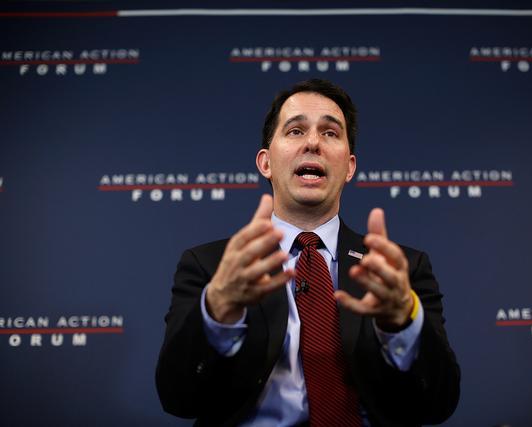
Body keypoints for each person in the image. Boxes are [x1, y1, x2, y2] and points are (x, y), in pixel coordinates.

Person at [156, 79, 460, 426]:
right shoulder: (211, 267)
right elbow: (177, 398)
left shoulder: (399, 270)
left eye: (330, 133)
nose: (313, 142)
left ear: (349, 166)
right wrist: (219, 311)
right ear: (266, 163)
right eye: (296, 131)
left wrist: (403, 323)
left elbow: (439, 404)